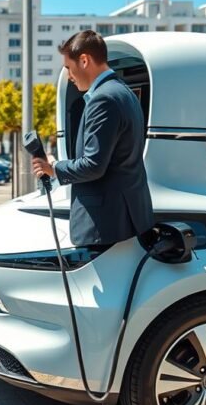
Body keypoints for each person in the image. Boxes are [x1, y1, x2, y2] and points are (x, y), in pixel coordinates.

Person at [31, 30, 153, 247]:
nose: (69, 75)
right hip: (124, 219)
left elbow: (93, 165)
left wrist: (53, 168)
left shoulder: (103, 99)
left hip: (105, 225)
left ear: (84, 60)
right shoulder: (124, 92)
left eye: (68, 67)